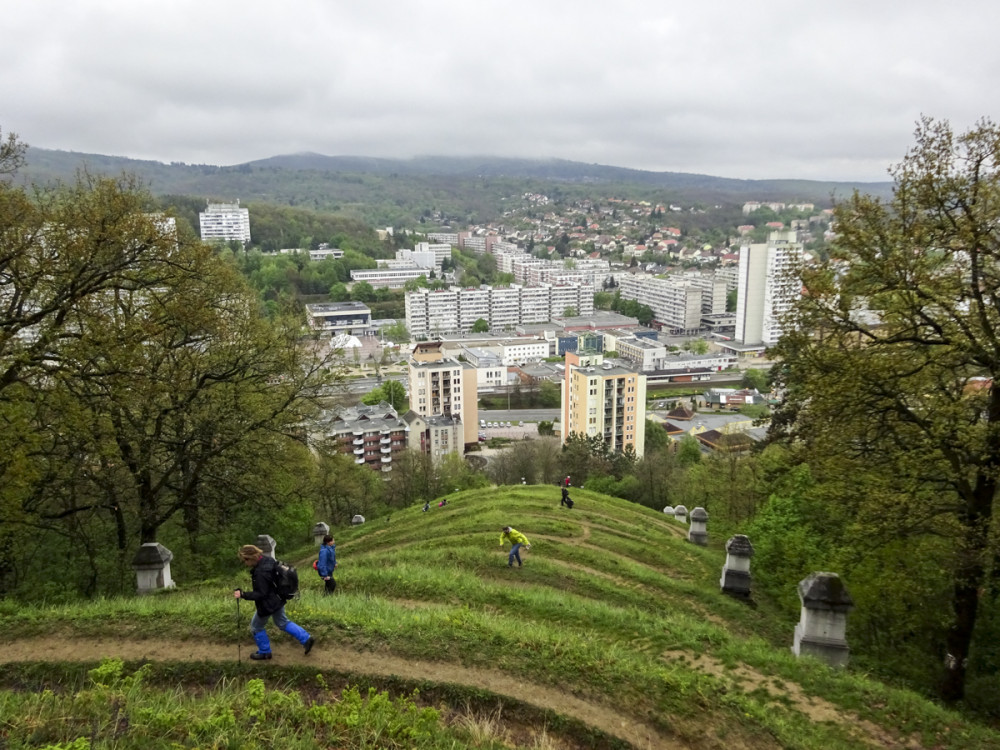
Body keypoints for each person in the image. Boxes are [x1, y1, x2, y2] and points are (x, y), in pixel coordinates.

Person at [234, 544, 315, 661]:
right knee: (283, 622)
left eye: (244, 561)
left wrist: (243, 594)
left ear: (250, 558)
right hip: (278, 598)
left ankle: (264, 652)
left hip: (268, 604)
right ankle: (306, 639)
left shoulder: (260, 572)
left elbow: (261, 594)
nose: (245, 564)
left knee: (256, 627)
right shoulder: (268, 560)